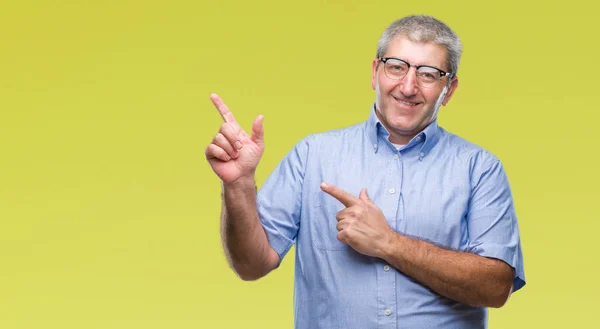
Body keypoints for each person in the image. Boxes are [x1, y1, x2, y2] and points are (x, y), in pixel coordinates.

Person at [205, 15, 525, 329]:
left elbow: (496, 288)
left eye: (428, 74)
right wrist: (239, 186)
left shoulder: (480, 169)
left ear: (449, 89)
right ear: (375, 72)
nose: (408, 86)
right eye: (396, 67)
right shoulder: (312, 156)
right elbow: (250, 265)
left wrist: (388, 243)